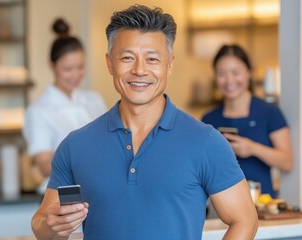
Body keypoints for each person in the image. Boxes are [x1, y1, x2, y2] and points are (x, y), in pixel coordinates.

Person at [31, 5, 258, 240]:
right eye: (127, 58)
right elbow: (43, 226)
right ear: (110, 63)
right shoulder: (75, 145)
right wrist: (53, 226)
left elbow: (245, 219)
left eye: (152, 59)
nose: (139, 70)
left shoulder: (205, 141)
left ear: (169, 64)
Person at [23, 18, 106, 194]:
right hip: (63, 195)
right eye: (68, 69)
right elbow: (45, 165)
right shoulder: (39, 110)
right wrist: (91, 171)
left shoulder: (94, 100)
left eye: (80, 67)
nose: (76, 75)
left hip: (98, 191)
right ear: (52, 66)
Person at [202, 44, 293, 198]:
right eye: (221, 73)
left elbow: (287, 162)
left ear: (250, 73)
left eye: (236, 72)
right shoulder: (209, 119)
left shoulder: (269, 112)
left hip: (262, 204)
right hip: (220, 206)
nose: (229, 80)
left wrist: (252, 148)